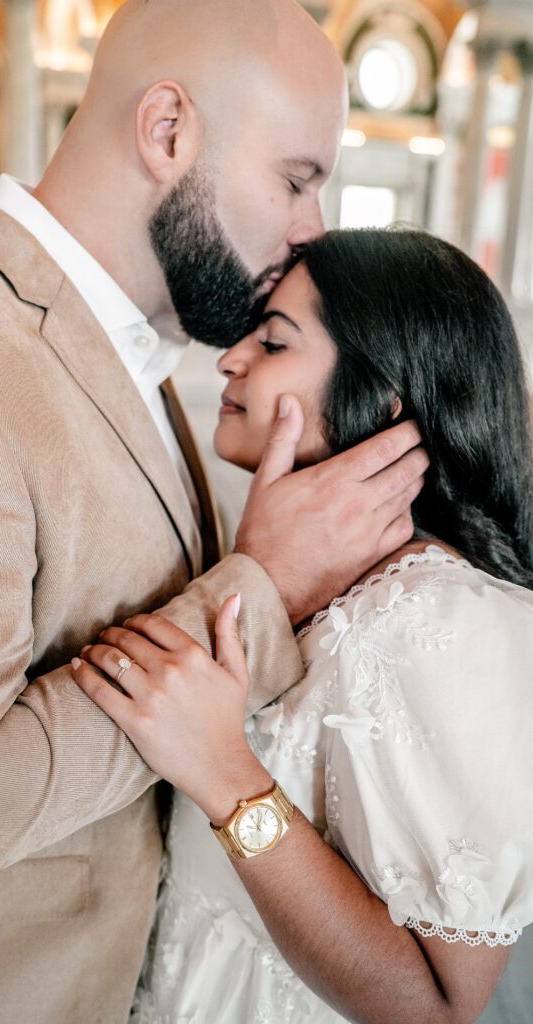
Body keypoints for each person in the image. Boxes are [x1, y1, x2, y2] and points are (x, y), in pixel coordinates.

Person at [0, 3, 428, 1022]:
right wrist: (263, 582)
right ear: (167, 130)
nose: (309, 231)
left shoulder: (138, 358)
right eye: (295, 178)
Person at [74, 229, 533, 1024]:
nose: (228, 358)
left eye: (274, 340)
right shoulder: (286, 564)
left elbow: (440, 1008)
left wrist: (227, 779)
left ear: (386, 398)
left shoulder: (452, 624)